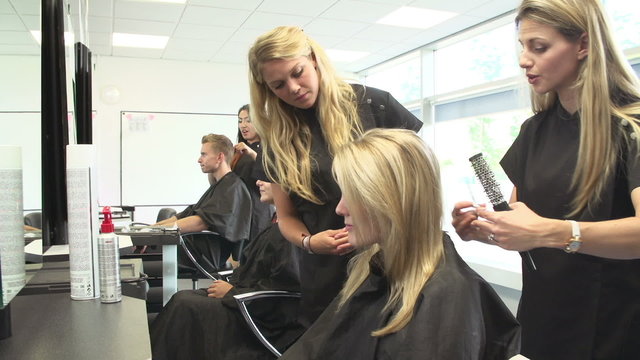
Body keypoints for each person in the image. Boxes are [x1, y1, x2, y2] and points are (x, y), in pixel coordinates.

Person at [451, 0, 640, 359]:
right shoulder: (533, 133)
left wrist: (550, 233)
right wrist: (486, 231)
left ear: (583, 45)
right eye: (522, 47)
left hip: (615, 331)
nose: (524, 60)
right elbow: (525, 231)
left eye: (539, 47)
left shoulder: (631, 128)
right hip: (543, 326)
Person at [281, 128, 520, 359]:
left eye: (353, 195)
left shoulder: (444, 296)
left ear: (392, 201)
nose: (340, 208)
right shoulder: (371, 264)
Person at [248, 26, 423, 328]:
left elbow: (420, 182)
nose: (293, 88)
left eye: (298, 72)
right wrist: (309, 242)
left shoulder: (374, 106)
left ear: (314, 59)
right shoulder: (277, 141)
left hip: (394, 260)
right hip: (326, 271)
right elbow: (286, 216)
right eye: (278, 85)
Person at [150, 179, 303, 360]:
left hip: (258, 318)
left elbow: (283, 291)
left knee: (184, 304)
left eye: (267, 179)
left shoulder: (291, 233)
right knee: (184, 300)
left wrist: (233, 292)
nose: (258, 182)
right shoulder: (275, 223)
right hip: (242, 300)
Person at [154, 133, 251, 242]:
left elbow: (201, 221)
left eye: (204, 154)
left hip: (199, 256)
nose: (199, 160)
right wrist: (150, 229)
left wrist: (158, 231)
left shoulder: (232, 187)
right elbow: (184, 215)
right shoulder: (220, 186)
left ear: (219, 157)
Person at [230, 104, 275, 244]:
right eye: (240, 121)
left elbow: (272, 171)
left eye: (248, 120)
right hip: (237, 211)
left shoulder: (269, 149)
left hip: (258, 212)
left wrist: (251, 153)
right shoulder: (237, 151)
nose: (243, 125)